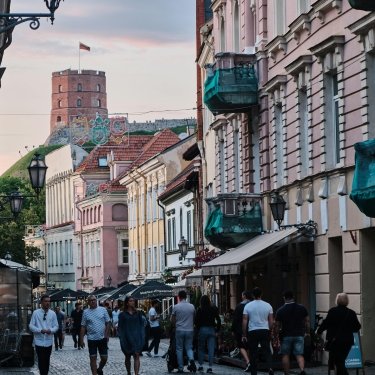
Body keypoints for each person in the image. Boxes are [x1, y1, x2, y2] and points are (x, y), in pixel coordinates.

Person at [317, 292, 361, 375]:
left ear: (337, 300)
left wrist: (319, 332)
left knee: (338, 362)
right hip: (347, 341)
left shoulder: (332, 311)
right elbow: (357, 327)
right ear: (347, 301)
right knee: (340, 361)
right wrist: (348, 328)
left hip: (335, 341)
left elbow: (326, 324)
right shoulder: (351, 312)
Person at [275, 290, 309, 375]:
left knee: (285, 354)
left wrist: (276, 335)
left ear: (284, 298)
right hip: (299, 334)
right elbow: (307, 321)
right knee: (299, 354)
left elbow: (277, 325)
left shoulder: (280, 310)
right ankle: (302, 370)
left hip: (286, 335)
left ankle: (286, 373)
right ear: (293, 297)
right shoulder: (302, 308)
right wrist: (307, 332)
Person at [242, 287, 274, 375]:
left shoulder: (248, 306)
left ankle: (254, 372)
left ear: (252, 295)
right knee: (267, 350)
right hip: (264, 330)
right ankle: (270, 367)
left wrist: (244, 334)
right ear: (261, 294)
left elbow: (244, 321)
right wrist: (270, 330)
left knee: (253, 352)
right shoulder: (268, 305)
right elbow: (271, 321)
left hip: (253, 331)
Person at [80, 296, 111, 375]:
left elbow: (108, 323)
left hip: (102, 338)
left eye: (94, 300)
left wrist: (106, 335)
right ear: (88, 302)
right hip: (91, 339)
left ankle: (99, 369)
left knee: (104, 358)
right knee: (93, 358)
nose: (93, 301)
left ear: (96, 301)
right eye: (90, 300)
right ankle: (94, 373)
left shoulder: (103, 310)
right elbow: (83, 326)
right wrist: (81, 339)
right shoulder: (86, 312)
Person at [29, 294, 59, 375]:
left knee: (47, 360)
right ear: (41, 302)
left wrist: (50, 330)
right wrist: (40, 330)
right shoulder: (36, 313)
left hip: (48, 342)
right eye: (45, 301)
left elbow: (56, 326)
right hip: (39, 341)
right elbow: (31, 326)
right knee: (41, 360)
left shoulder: (53, 313)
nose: (47, 303)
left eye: (49, 301)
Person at [171, 290, 197, 374]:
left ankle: (181, 368)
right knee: (189, 347)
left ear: (179, 297)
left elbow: (173, 319)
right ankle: (191, 359)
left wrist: (174, 326)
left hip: (179, 330)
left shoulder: (176, 307)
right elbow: (194, 318)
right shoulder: (192, 306)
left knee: (179, 349)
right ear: (185, 296)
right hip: (189, 330)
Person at [118, 296, 145, 375]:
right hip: (126, 338)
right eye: (130, 301)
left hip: (136, 338)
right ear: (127, 303)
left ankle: (136, 373)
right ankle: (128, 372)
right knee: (127, 356)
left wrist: (142, 336)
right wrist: (121, 337)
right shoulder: (122, 315)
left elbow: (142, 325)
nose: (132, 302)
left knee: (136, 355)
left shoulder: (138, 313)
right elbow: (120, 327)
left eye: (133, 301)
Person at [195, 295, 221, 374]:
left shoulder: (200, 309)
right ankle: (210, 367)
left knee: (201, 348)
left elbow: (196, 321)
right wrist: (217, 329)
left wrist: (199, 329)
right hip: (211, 329)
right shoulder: (213, 309)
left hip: (202, 329)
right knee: (211, 349)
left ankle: (200, 366)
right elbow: (218, 319)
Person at [231, 291, 252, 368]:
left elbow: (235, 319)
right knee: (248, 345)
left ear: (244, 296)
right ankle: (248, 360)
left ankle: (248, 361)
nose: (241, 296)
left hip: (240, 328)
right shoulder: (252, 305)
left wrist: (233, 329)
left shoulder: (239, 306)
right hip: (251, 327)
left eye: (242, 295)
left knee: (241, 345)